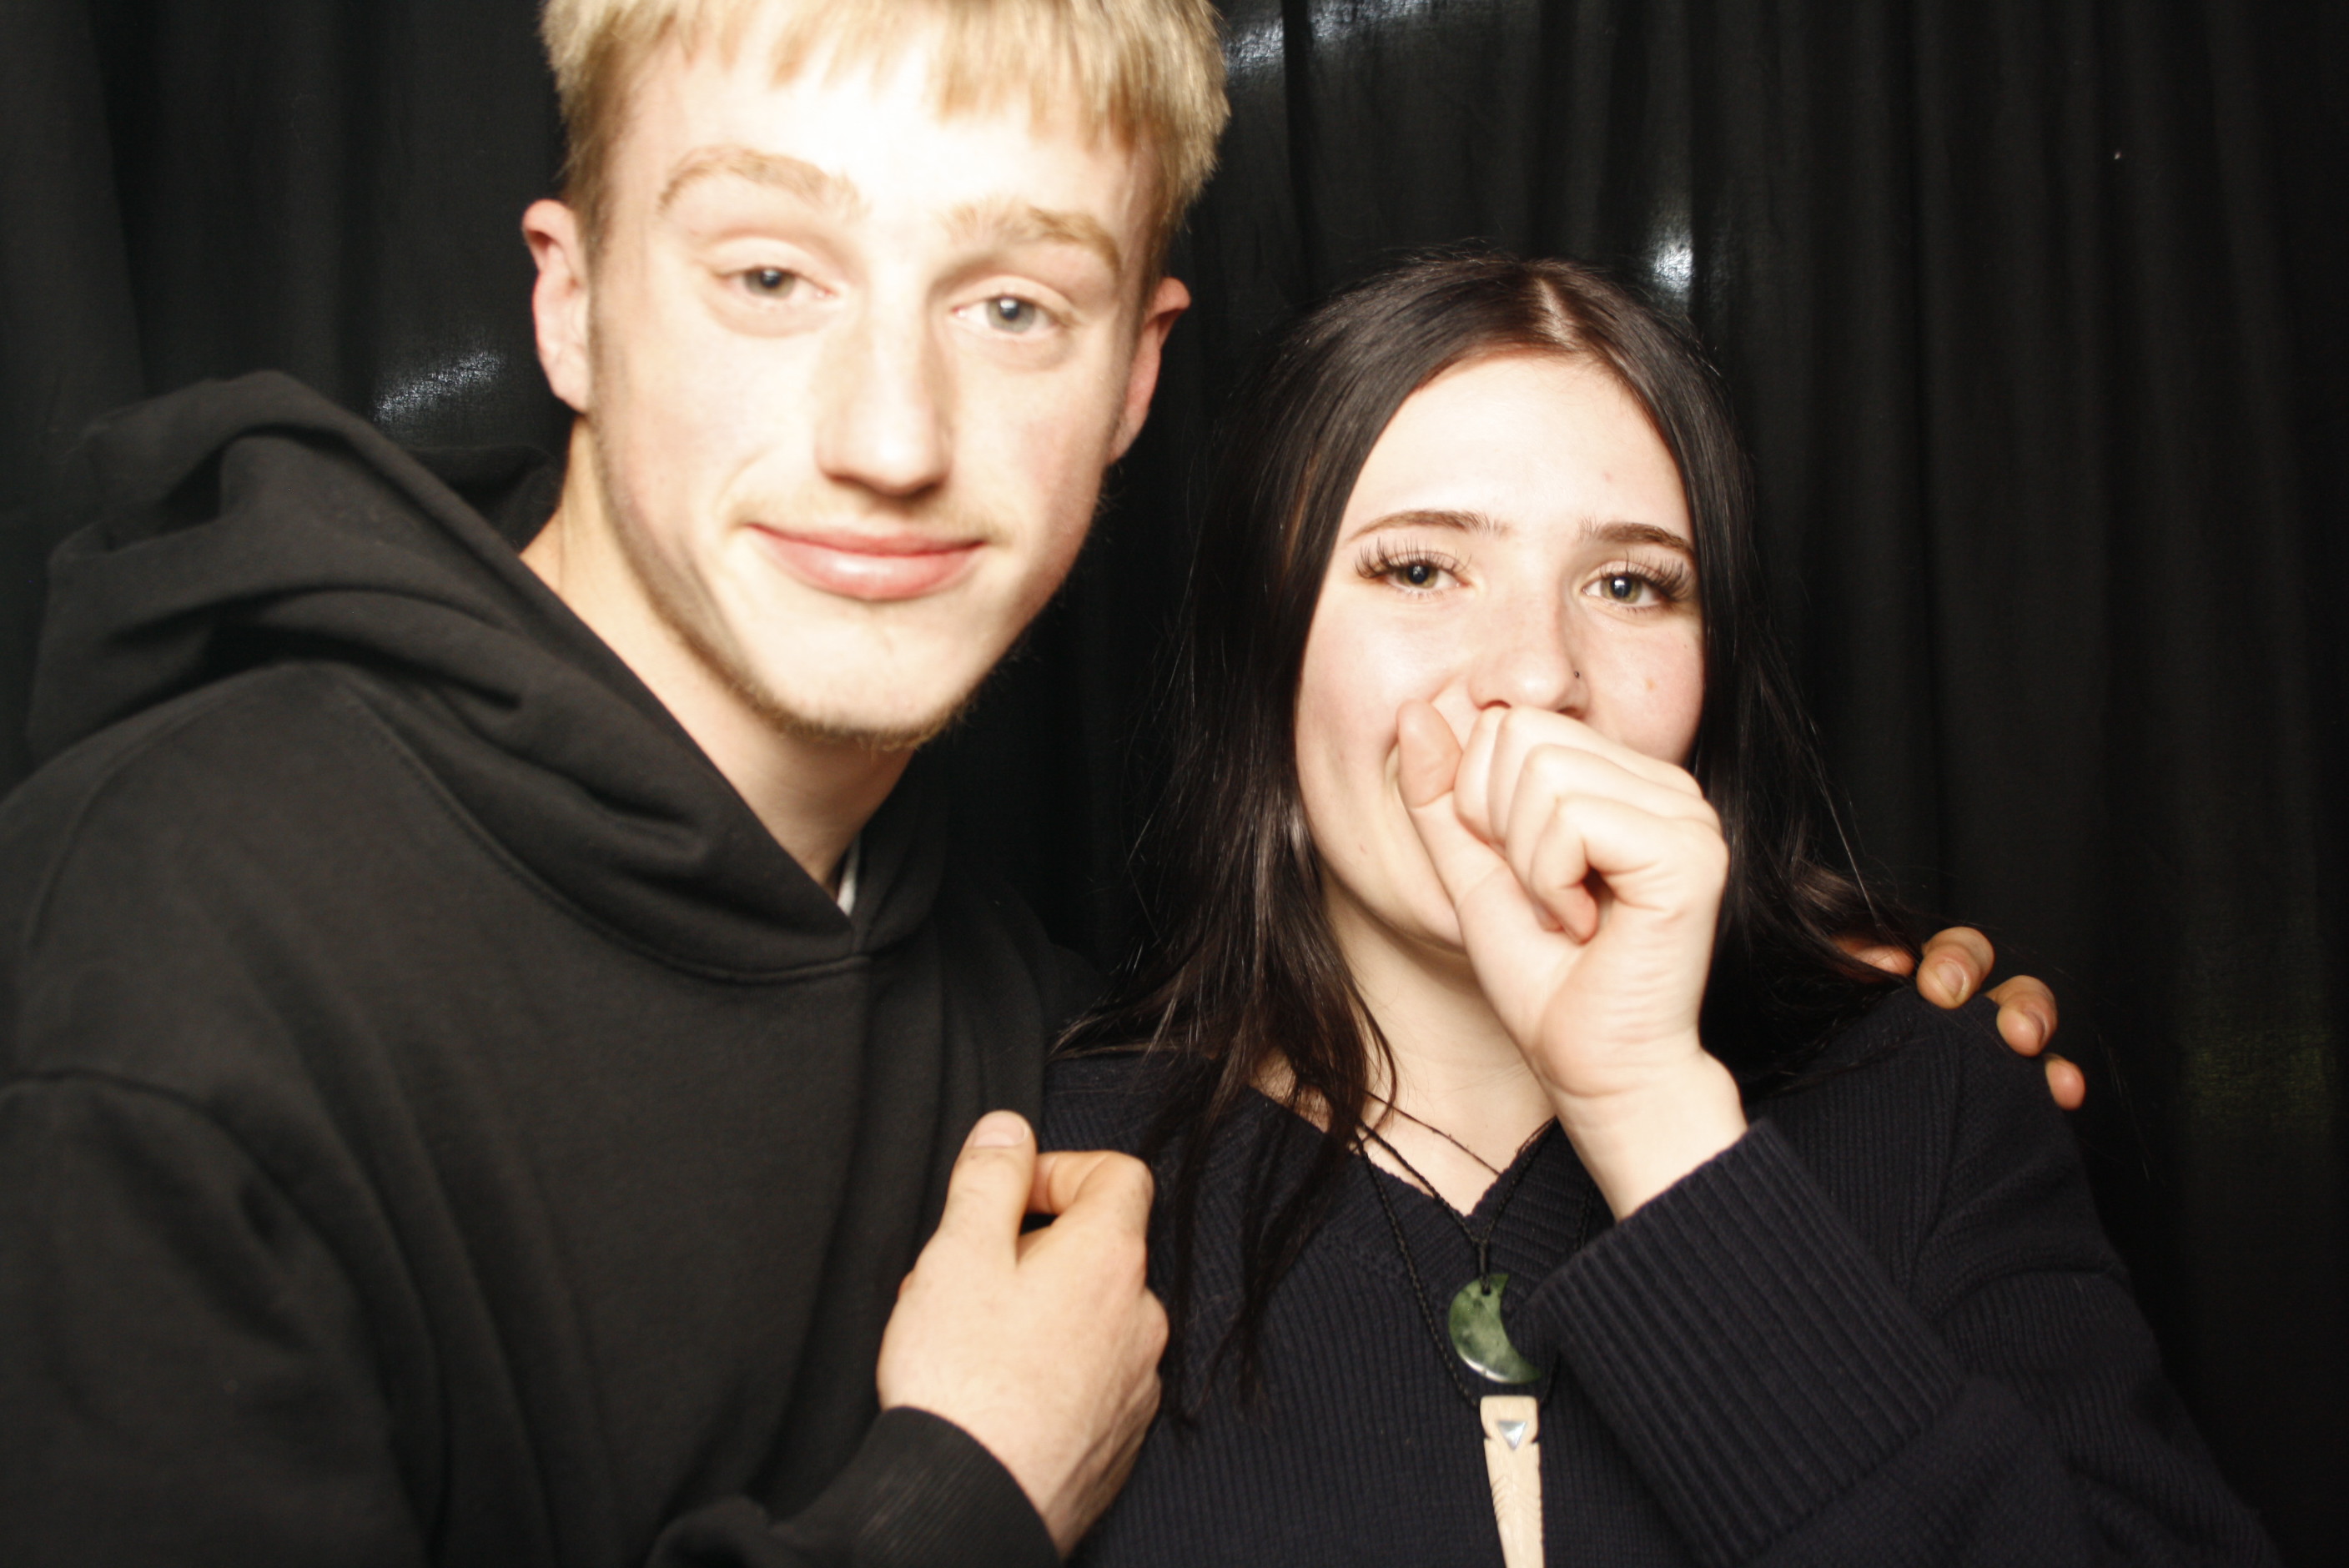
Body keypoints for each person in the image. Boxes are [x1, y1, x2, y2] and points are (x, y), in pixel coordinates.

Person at [0, 3, 2056, 1565]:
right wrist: (960, 1493)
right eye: (770, 274)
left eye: (1009, 303)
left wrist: (1761, 1082)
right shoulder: (160, 971)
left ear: (1137, 377)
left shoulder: (1011, 1036)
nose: (890, 431)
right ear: (569, 299)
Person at [1047, 252, 2275, 1565]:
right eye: (1418, 570)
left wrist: (1654, 1121)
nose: (1537, 675)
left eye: (1631, 584)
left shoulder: (1938, 1113)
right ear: (1266, 646)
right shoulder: (1056, 1171)